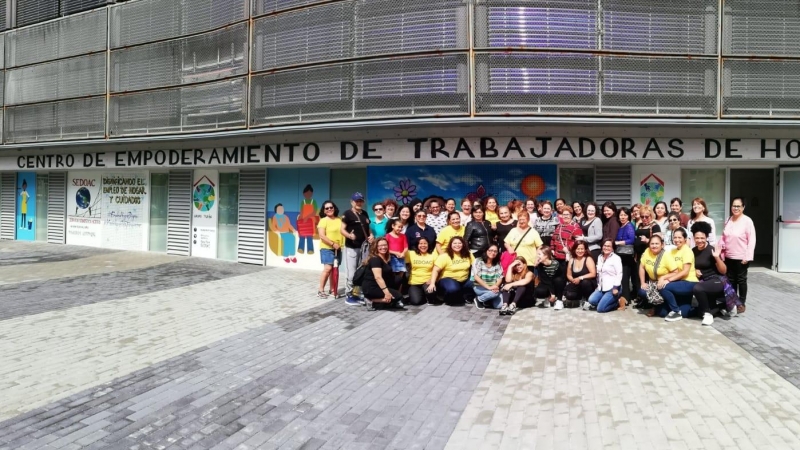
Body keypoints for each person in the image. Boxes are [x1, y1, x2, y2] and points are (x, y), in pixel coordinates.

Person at [692, 221, 736, 324]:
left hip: (717, 280)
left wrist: (717, 257)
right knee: (699, 313)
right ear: (693, 238)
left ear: (706, 237)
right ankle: (723, 306)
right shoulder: (693, 251)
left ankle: (708, 314)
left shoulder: (712, 250)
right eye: (697, 238)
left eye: (702, 238)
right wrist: (694, 270)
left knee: (697, 288)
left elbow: (723, 271)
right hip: (705, 282)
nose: (699, 240)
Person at [720, 196, 756, 314]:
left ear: (743, 207)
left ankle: (741, 303)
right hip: (729, 256)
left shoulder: (747, 221)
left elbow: (752, 240)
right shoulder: (728, 219)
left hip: (741, 257)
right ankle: (733, 302)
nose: (735, 208)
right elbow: (724, 236)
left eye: (738, 206)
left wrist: (747, 256)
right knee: (731, 280)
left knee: (741, 280)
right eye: (733, 206)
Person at [655, 227, 698, 321]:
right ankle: (677, 309)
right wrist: (663, 277)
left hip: (689, 282)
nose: (677, 240)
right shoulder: (672, 251)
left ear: (685, 239)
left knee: (664, 287)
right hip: (678, 283)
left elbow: (685, 272)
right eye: (675, 237)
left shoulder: (687, 251)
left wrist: (668, 280)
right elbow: (672, 270)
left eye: (680, 237)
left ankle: (676, 311)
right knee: (667, 313)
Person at [637, 235, 682, 322]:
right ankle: (656, 305)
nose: (654, 246)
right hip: (652, 283)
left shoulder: (666, 256)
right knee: (642, 291)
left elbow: (676, 272)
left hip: (663, 284)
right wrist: (642, 282)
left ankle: (667, 304)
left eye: (657, 244)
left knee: (662, 314)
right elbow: (641, 267)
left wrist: (663, 278)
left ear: (662, 245)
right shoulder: (647, 252)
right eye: (652, 243)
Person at [342, 192, 373, 305]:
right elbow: (342, 230)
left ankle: (356, 294)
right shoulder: (347, 214)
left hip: (363, 248)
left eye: (360, 201)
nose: (359, 202)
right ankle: (349, 295)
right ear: (352, 202)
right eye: (357, 201)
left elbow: (367, 228)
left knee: (360, 272)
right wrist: (349, 236)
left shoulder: (365, 213)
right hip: (351, 248)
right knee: (351, 273)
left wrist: (371, 236)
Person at [429, 236, 475, 305]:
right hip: (448, 279)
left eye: (459, 243)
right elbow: (435, 270)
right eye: (455, 243)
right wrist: (432, 283)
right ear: (450, 245)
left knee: (475, 281)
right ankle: (445, 297)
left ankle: (465, 296)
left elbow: (475, 266)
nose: (457, 245)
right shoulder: (445, 256)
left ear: (463, 244)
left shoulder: (468, 254)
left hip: (464, 280)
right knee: (453, 289)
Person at [361, 238, 405, 310]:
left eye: (385, 245)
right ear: (376, 247)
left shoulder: (385, 257)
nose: (383, 247)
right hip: (371, 287)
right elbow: (378, 277)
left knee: (398, 279)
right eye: (380, 246)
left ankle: (387, 300)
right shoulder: (375, 259)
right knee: (398, 296)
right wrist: (387, 293)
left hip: (378, 285)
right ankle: (371, 301)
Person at [585, 239, 624, 312]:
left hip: (612, 288)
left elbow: (619, 274)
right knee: (591, 300)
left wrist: (615, 288)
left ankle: (617, 302)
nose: (606, 248)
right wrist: (598, 285)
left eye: (609, 246)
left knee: (600, 309)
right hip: (601, 288)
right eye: (605, 245)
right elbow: (599, 273)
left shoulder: (616, 258)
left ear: (612, 248)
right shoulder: (600, 257)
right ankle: (605, 301)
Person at [317, 200, 344, 298]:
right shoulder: (323, 220)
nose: (329, 209)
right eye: (327, 208)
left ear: (334, 208)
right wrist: (332, 244)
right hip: (327, 248)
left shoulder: (339, 219)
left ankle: (332, 289)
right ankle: (321, 290)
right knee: (328, 268)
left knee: (334, 269)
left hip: (338, 248)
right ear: (324, 211)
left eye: (331, 207)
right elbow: (322, 235)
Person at [633, 205, 661, 299]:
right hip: (639, 255)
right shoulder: (640, 225)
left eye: (646, 216)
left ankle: (649, 299)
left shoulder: (655, 226)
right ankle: (640, 298)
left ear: (651, 216)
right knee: (638, 277)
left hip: (649, 256)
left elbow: (659, 242)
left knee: (648, 278)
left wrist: (647, 240)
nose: (644, 218)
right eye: (642, 216)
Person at [614, 207, 636, 307]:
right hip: (621, 255)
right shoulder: (621, 226)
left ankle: (626, 299)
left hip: (627, 256)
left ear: (628, 216)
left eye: (625, 215)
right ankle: (624, 297)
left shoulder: (629, 226)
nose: (623, 217)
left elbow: (631, 240)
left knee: (625, 278)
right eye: (621, 215)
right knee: (622, 277)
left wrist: (618, 242)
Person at [406, 238, 438, 306]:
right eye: (420, 243)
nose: (423, 245)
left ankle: (429, 296)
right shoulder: (411, 253)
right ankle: (422, 295)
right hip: (414, 282)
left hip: (427, 281)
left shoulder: (433, 254)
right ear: (417, 245)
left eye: (425, 243)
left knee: (430, 293)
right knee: (416, 302)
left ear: (428, 244)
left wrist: (432, 280)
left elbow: (437, 269)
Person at [564, 241, 597, 307]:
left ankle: (588, 300)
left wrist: (580, 278)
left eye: (582, 249)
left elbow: (593, 274)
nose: (580, 251)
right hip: (576, 283)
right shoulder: (572, 260)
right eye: (578, 249)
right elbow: (569, 274)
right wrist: (572, 280)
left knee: (585, 283)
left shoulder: (588, 259)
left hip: (587, 283)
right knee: (569, 295)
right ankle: (580, 298)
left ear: (585, 250)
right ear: (574, 250)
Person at [472, 244, 503, 309]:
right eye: (490, 250)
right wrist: (489, 287)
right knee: (494, 294)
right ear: (486, 251)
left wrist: (495, 286)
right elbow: (476, 277)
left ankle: (487, 299)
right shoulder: (478, 261)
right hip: (480, 287)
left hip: (493, 287)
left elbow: (500, 277)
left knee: (499, 305)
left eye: (495, 251)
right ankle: (479, 299)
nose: (493, 253)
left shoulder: (498, 263)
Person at [386, 218, 409, 293]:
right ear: (393, 226)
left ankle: (399, 294)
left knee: (400, 277)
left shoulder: (403, 236)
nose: (400, 229)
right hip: (392, 258)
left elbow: (406, 247)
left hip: (401, 258)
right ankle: (392, 292)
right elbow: (386, 249)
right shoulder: (388, 236)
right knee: (392, 276)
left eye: (401, 227)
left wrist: (403, 253)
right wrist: (396, 253)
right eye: (398, 227)